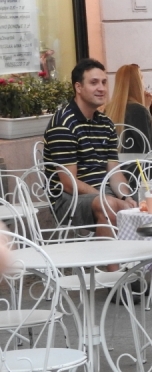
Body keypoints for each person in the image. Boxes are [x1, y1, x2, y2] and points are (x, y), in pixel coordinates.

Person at [42, 58, 136, 239]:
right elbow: (69, 183)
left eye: (103, 82)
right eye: (94, 83)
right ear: (78, 87)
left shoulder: (105, 123)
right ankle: (112, 267)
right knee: (108, 204)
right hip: (68, 200)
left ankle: (145, 264)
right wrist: (112, 200)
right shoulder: (63, 123)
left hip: (102, 193)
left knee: (149, 203)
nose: (101, 88)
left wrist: (126, 198)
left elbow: (114, 172)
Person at [105, 63, 152, 153]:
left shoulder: (108, 109)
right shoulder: (139, 111)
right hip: (138, 165)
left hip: (115, 166)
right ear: (138, 85)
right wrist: (146, 108)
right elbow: (150, 148)